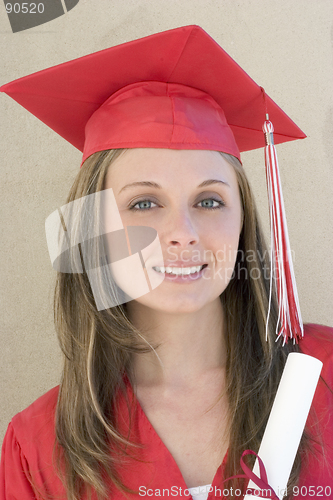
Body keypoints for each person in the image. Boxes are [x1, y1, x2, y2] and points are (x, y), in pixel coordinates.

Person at [0, 25, 332, 500]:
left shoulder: (324, 377)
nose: (184, 233)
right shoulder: (40, 448)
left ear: (244, 221)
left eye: (210, 201)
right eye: (143, 203)